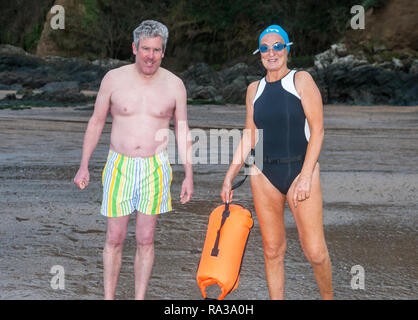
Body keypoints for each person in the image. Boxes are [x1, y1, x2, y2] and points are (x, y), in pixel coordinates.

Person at [73, 20, 194, 300]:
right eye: (145, 49)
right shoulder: (113, 79)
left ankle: (139, 297)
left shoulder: (175, 85)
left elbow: (183, 129)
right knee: (114, 238)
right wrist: (84, 165)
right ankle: (109, 297)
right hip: (119, 165)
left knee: (145, 239)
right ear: (134, 48)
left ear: (164, 51)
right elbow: (96, 122)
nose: (150, 55)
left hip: (155, 166)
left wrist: (189, 174)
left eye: (156, 50)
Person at [220, 25, 332, 299]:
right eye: (266, 48)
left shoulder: (301, 80)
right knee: (272, 250)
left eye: (278, 46)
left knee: (315, 252)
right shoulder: (253, 90)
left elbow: (318, 130)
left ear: (287, 49)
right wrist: (229, 175)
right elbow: (249, 134)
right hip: (263, 173)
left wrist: (306, 176)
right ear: (260, 53)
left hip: (299, 170)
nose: (272, 52)